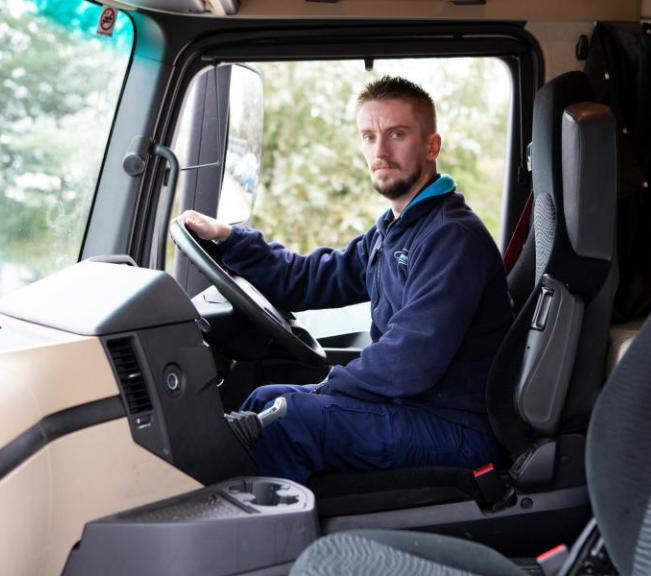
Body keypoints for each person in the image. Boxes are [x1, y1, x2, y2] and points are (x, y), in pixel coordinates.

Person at [183, 76, 513, 484]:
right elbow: (309, 278)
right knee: (265, 401)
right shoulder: (393, 231)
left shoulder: (451, 237)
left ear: (432, 146)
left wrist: (324, 389)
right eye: (368, 136)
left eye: (397, 134)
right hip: (414, 407)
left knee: (283, 420)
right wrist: (231, 240)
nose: (380, 151)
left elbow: (408, 361)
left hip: (455, 427)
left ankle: (275, 541)